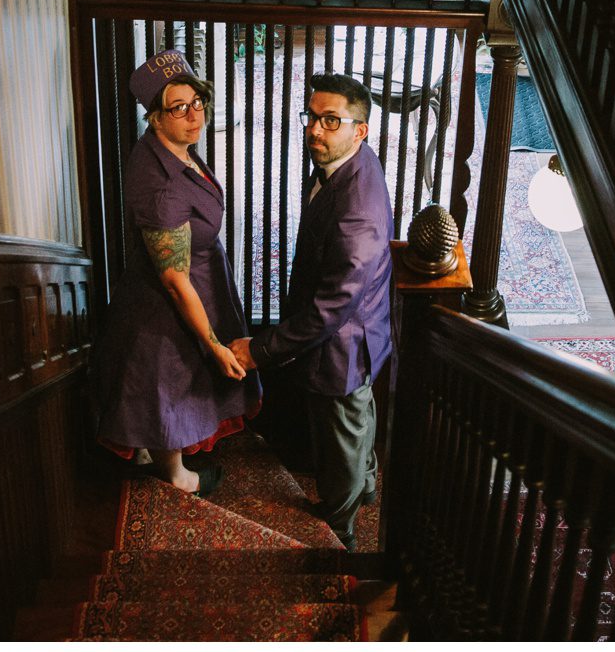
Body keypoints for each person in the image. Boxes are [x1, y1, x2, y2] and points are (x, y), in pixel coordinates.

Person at [232, 73, 393, 548]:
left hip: (342, 344)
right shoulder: (344, 163)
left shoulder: (357, 210)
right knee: (354, 420)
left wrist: (259, 351)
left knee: (341, 436)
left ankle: (339, 531)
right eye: (312, 117)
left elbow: (332, 307)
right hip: (355, 329)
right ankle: (364, 485)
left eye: (330, 120)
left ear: (360, 130)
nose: (315, 130)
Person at [92, 49, 258, 495]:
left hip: (196, 278)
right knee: (166, 382)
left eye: (197, 102)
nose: (193, 115)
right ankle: (177, 476)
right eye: (178, 108)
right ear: (154, 118)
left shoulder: (173, 150)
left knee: (163, 383)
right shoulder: (161, 185)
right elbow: (173, 278)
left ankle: (157, 456)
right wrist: (213, 344)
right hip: (168, 300)